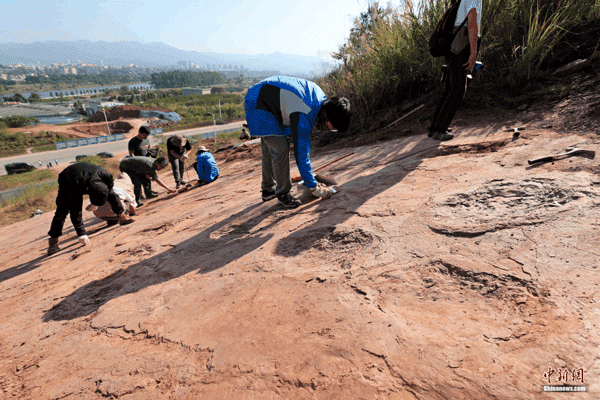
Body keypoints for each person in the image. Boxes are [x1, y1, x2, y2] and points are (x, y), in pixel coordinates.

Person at [244, 75, 351, 209]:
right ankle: (283, 194)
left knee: (269, 147)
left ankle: (268, 190)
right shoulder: (305, 112)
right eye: (333, 127)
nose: (329, 129)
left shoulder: (319, 97)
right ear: (329, 118)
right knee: (280, 148)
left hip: (260, 96)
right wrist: (314, 187)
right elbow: (301, 154)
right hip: (258, 104)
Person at [47, 162, 134, 255]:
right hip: (68, 178)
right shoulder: (76, 185)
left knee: (112, 195)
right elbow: (76, 210)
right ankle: (53, 241)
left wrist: (119, 211)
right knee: (62, 210)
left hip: (87, 175)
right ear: (88, 191)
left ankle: (122, 216)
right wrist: (81, 234)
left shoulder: (107, 176)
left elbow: (112, 194)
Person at [428, 0, 482, 141]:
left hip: (452, 47)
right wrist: (473, 53)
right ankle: (440, 129)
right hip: (459, 49)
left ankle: (435, 127)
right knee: (458, 89)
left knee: (449, 89)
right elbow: (472, 23)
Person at [128, 125, 158, 196]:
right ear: (139, 132)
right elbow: (131, 154)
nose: (146, 136)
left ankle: (148, 192)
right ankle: (140, 196)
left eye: (147, 135)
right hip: (138, 164)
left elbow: (148, 150)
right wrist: (137, 164)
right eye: (145, 135)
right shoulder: (133, 141)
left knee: (147, 178)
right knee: (139, 180)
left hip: (146, 163)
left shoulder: (146, 140)